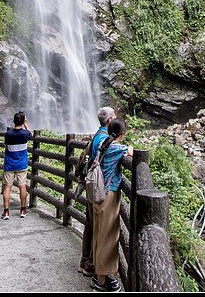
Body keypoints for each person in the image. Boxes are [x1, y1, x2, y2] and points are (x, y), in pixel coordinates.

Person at [90, 118, 133, 292]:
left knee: (99, 235)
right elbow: (133, 152)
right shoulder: (116, 148)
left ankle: (99, 274)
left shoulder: (104, 145)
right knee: (108, 238)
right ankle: (101, 280)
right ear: (122, 135)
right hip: (108, 196)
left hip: (96, 194)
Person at [79, 107, 116, 277]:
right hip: (99, 188)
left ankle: (85, 261)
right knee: (97, 227)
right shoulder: (103, 138)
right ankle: (93, 265)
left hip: (92, 186)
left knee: (91, 223)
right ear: (109, 120)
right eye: (114, 116)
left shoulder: (97, 135)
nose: (116, 118)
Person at [2, 111, 32, 220]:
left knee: (7, 187)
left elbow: (6, 145)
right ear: (23, 120)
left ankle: (6, 212)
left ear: (14, 121)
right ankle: (23, 209)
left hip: (9, 164)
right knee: (22, 186)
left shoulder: (8, 134)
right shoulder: (25, 134)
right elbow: (31, 134)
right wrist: (26, 124)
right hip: (22, 165)